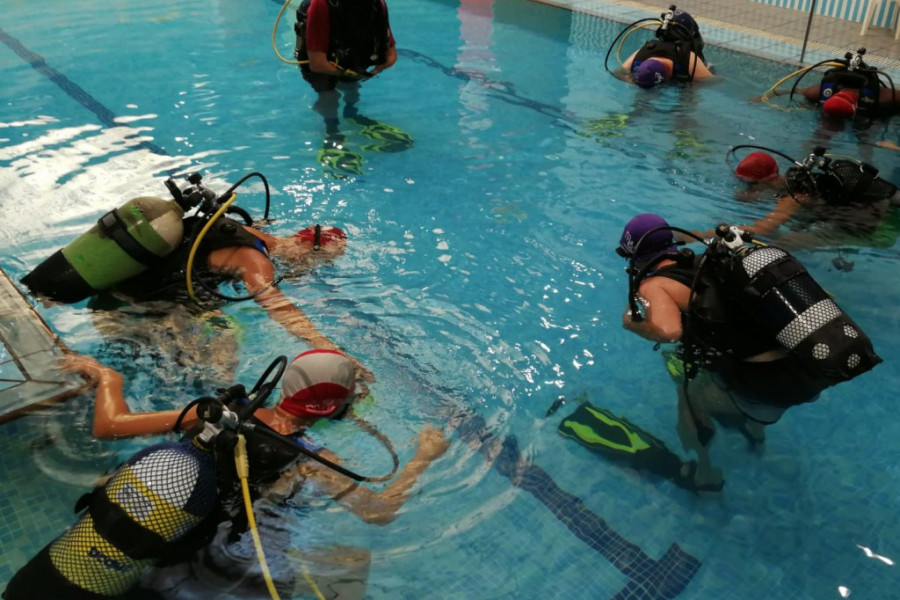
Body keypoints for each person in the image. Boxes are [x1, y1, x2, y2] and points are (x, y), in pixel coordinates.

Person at [59, 348, 450, 599]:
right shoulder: (312, 460)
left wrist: (110, 378)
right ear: (333, 409)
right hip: (237, 571)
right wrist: (423, 457)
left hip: (159, 547)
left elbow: (109, 424)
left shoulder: (211, 413)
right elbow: (379, 512)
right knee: (353, 561)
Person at [617, 213, 879, 490]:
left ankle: (703, 471)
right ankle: (755, 432)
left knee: (687, 391)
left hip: (767, 382)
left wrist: (634, 325)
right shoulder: (708, 262)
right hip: (807, 362)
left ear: (635, 256)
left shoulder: (653, 284)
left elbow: (669, 332)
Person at [294, 0, 411, 174]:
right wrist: (348, 74)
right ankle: (332, 131)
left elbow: (391, 53)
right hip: (318, 60)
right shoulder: (321, 4)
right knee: (329, 96)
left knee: (352, 89)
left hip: (349, 55)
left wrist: (376, 68)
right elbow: (317, 64)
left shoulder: (376, 4)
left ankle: (352, 114)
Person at [767, 50, 899, 120]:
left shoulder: (882, 97)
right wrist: (762, 97)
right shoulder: (818, 92)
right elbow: (789, 90)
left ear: (855, 108)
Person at [619, 9, 713, 88]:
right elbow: (712, 81)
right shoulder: (688, 58)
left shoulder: (642, 53)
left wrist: (632, 80)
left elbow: (619, 73)